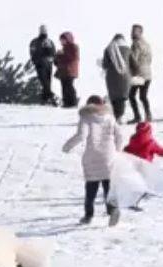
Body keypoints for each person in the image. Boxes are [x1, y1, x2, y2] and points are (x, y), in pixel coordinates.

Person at [63, 95, 124, 225]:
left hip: (92, 157)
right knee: (109, 187)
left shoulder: (86, 117)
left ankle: (88, 215)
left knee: (91, 188)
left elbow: (81, 135)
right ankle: (113, 210)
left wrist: (67, 146)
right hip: (109, 156)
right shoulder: (110, 117)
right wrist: (117, 150)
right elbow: (120, 135)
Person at [102, 33, 131, 121]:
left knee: (114, 97)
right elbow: (133, 63)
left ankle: (116, 116)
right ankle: (120, 116)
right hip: (126, 75)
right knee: (122, 97)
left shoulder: (108, 49)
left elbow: (105, 64)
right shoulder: (128, 49)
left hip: (112, 76)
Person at [128, 24, 153, 123]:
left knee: (131, 95)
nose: (132, 33)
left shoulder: (136, 43)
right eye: (132, 30)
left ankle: (137, 116)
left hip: (139, 74)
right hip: (148, 74)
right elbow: (150, 58)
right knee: (143, 96)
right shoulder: (147, 43)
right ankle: (148, 115)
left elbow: (134, 59)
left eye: (134, 31)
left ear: (140, 32)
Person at [29, 25, 57, 105]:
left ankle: (46, 99)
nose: (43, 31)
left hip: (47, 63)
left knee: (47, 82)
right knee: (44, 82)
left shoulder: (49, 41)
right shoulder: (35, 41)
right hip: (41, 64)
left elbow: (53, 52)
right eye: (42, 30)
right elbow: (32, 52)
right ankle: (48, 98)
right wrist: (36, 61)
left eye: (44, 30)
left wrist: (51, 58)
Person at [55, 33, 79, 108]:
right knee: (64, 86)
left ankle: (72, 102)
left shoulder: (72, 47)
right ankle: (67, 102)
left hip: (69, 70)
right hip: (64, 71)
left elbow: (71, 58)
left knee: (68, 86)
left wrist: (61, 55)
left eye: (63, 40)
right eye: (61, 40)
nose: (61, 42)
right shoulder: (65, 48)